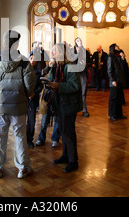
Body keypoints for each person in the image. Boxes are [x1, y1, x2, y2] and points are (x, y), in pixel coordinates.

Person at [0, 30, 35, 179]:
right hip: (19, 104)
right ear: (16, 43)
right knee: (20, 136)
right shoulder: (23, 61)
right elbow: (30, 84)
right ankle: (23, 168)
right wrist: (25, 94)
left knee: (0, 136)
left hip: (2, 105)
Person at [46, 43, 83, 173]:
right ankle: (65, 156)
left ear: (61, 53)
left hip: (68, 104)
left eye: (54, 52)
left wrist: (58, 86)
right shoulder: (57, 66)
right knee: (63, 131)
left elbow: (75, 86)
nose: (52, 54)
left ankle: (73, 161)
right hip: (59, 104)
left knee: (68, 133)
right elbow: (51, 80)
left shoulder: (70, 66)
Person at [26, 52, 43, 148]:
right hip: (23, 98)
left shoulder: (38, 72)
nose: (32, 61)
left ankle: (29, 139)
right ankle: (22, 139)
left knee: (31, 120)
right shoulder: (23, 70)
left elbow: (40, 86)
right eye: (31, 58)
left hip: (32, 98)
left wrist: (34, 93)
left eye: (34, 59)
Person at [107, 43, 127, 121]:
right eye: (116, 46)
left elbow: (124, 68)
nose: (118, 46)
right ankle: (112, 114)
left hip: (120, 80)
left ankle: (119, 114)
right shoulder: (110, 57)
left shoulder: (119, 56)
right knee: (113, 98)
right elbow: (109, 70)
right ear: (113, 48)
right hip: (114, 81)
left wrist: (123, 58)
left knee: (119, 98)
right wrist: (113, 80)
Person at [73, 37, 91, 117]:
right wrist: (76, 54)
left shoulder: (86, 52)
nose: (79, 41)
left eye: (80, 40)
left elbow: (89, 63)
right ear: (75, 43)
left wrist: (85, 65)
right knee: (75, 92)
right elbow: (71, 61)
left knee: (83, 93)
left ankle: (84, 110)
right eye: (77, 41)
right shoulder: (72, 51)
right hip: (75, 74)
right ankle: (75, 109)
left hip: (83, 73)